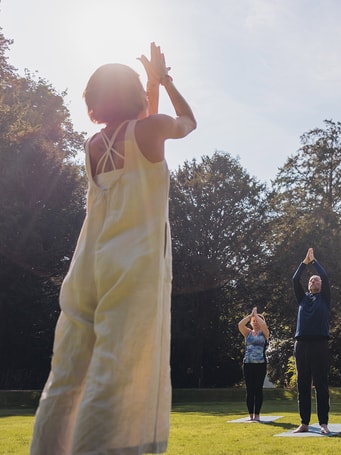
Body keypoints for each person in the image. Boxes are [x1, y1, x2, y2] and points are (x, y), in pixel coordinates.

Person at [30, 43, 196, 454]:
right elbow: (187, 122)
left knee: (67, 371)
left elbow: (138, 129)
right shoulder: (150, 130)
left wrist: (150, 83)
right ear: (134, 97)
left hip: (88, 264)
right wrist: (167, 82)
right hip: (131, 266)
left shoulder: (91, 146)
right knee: (115, 371)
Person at [291, 248, 331, 434]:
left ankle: (323, 423)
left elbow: (325, 276)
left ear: (321, 285)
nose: (314, 279)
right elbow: (294, 280)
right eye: (311, 279)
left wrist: (314, 262)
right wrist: (304, 263)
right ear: (308, 286)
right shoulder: (302, 299)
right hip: (301, 344)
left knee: (321, 384)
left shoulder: (324, 298)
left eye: (317, 279)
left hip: (320, 344)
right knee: (303, 384)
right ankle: (304, 422)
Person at [238, 307, 270, 422]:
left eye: (257, 321)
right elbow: (240, 324)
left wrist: (257, 316)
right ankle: (250, 415)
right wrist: (251, 315)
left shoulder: (265, 333)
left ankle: (257, 415)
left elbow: (265, 326)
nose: (256, 322)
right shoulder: (248, 333)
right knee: (250, 390)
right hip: (248, 364)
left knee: (258, 389)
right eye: (254, 321)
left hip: (260, 365)